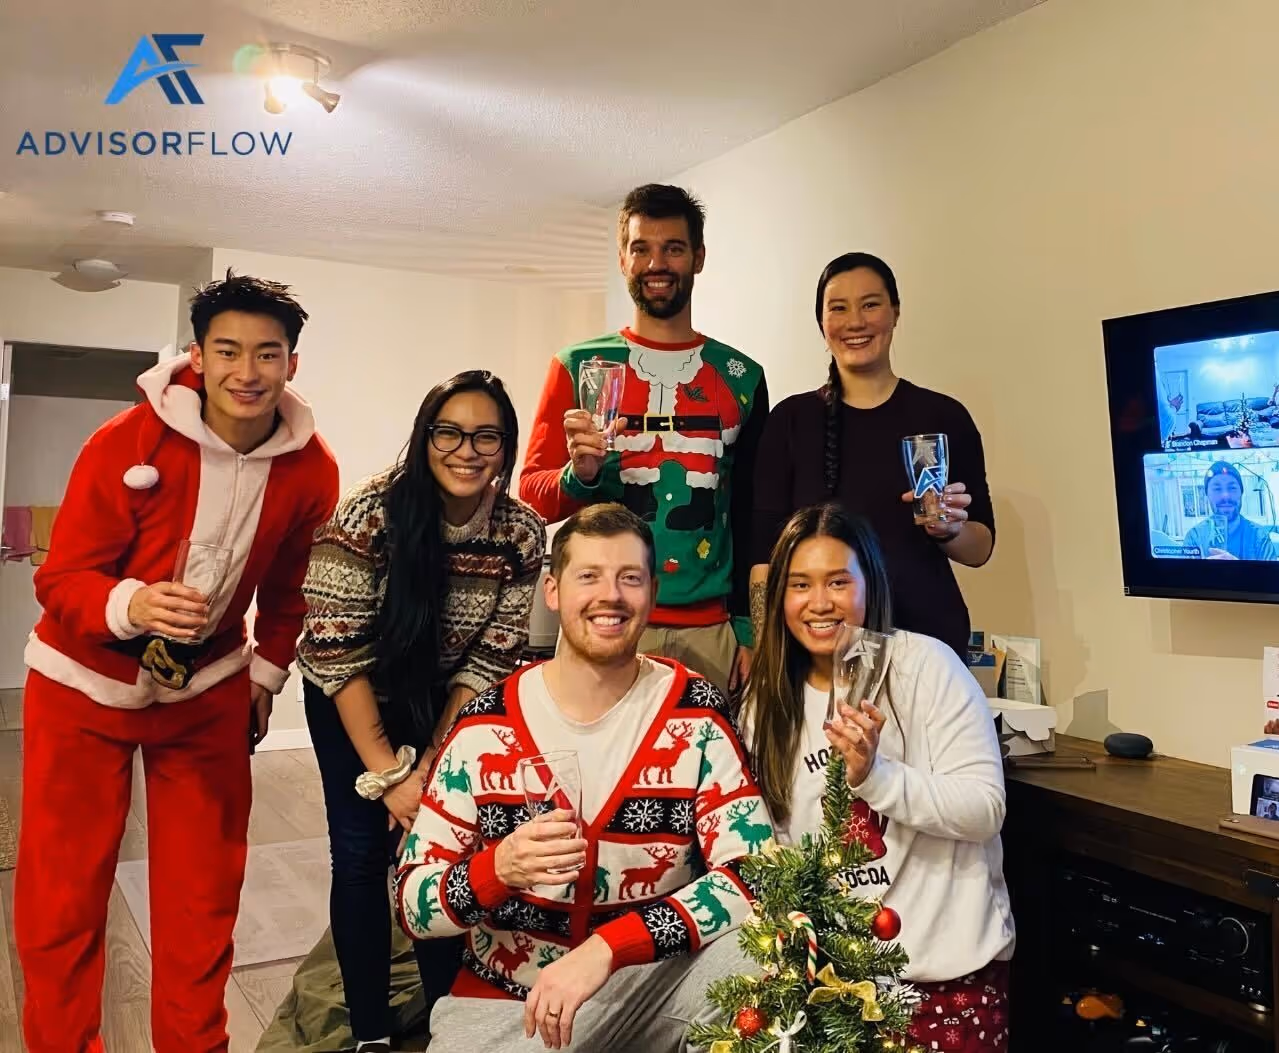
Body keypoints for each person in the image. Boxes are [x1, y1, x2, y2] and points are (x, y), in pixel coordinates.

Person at [14, 270, 339, 1052]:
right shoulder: (122, 442)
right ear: (198, 353)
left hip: (208, 693)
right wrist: (131, 603)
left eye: (268, 353)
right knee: (63, 899)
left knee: (203, 901)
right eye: (228, 350)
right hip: (77, 689)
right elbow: (59, 578)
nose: (247, 372)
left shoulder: (312, 470)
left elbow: (295, 593)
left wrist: (265, 676)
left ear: (292, 362)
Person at [395, 503, 771, 1052]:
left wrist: (609, 949)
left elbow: (754, 873)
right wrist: (495, 868)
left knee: (757, 956)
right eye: (589, 576)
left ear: (652, 595)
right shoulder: (483, 726)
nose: (610, 596)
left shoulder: (696, 714)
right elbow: (411, 903)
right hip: (508, 1007)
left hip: (647, 992)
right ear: (553, 591)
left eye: (630, 578)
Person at [295, 371, 547, 1051]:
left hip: (440, 702)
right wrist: (388, 775)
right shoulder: (369, 514)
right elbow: (338, 653)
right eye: (449, 431)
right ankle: (369, 1034)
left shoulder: (521, 534)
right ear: (425, 436)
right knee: (358, 856)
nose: (467, 449)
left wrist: (434, 767)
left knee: (442, 848)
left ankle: (449, 1020)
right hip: (347, 691)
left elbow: (488, 662)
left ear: (506, 445)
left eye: (486, 435)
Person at [739, 501, 1014, 1053]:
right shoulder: (766, 702)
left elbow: (985, 808)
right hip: (829, 987)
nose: (819, 603)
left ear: (870, 584)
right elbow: (779, 847)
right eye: (799, 585)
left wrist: (875, 774)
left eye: (838, 581)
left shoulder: (927, 667)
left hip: (943, 980)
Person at [519, 183, 767, 694]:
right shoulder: (577, 365)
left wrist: (750, 628)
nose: (657, 262)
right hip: (605, 621)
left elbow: (752, 511)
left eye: (673, 248)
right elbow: (532, 497)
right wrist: (580, 476)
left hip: (712, 632)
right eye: (641, 248)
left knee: (711, 770)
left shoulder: (741, 376)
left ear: (698, 257)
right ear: (622, 258)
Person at [751, 253, 994, 660]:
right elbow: (764, 558)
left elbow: (981, 547)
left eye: (870, 304)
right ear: (822, 325)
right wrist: (766, 654)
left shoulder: (943, 416)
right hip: (820, 653)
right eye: (838, 308)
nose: (855, 322)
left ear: (895, 312)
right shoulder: (790, 422)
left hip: (927, 647)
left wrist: (950, 529)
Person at [1181, 461, 1277, 560]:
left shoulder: (1259, 537)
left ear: (1241, 493)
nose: (1225, 495)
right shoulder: (1195, 537)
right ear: (1207, 495)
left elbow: (1273, 575)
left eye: (1232, 488)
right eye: (1217, 489)